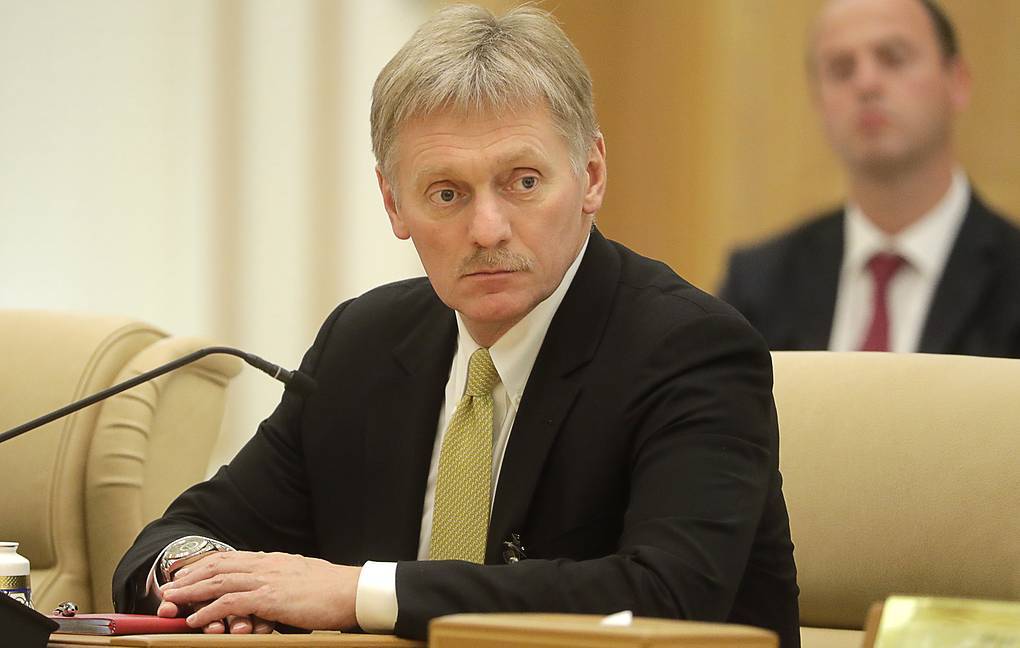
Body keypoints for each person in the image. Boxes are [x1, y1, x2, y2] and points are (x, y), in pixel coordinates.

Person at [113, 5, 800, 645]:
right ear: (393, 203)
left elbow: (665, 595)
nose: (487, 229)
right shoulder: (365, 343)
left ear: (590, 175)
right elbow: (175, 536)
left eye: (523, 181)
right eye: (447, 193)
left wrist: (358, 592)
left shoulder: (689, 348)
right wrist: (211, 581)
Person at [720, 0, 1020, 356]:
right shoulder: (759, 285)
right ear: (819, 101)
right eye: (841, 69)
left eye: (893, 58)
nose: (866, 84)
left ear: (957, 82)